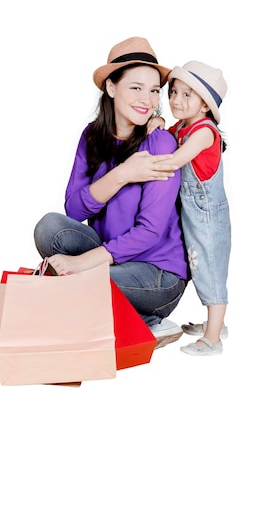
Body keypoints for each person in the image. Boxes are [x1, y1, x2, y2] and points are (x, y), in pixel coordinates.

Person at [33, 37, 189, 349]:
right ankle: (109, 307)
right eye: (136, 87)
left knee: (81, 279)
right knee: (49, 228)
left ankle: (149, 319)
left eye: (154, 89)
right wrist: (123, 174)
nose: (148, 99)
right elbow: (74, 210)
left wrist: (81, 263)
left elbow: (149, 233)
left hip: (157, 273)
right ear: (112, 88)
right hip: (113, 256)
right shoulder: (93, 136)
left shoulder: (159, 144)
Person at [147, 61, 231, 356]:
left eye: (187, 95)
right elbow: (168, 138)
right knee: (198, 268)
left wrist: (141, 167)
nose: (175, 101)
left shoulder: (204, 132)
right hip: (192, 215)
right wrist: (157, 123)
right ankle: (215, 323)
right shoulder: (183, 126)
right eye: (174, 93)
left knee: (210, 270)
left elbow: (174, 159)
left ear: (205, 106)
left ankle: (213, 339)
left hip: (208, 217)